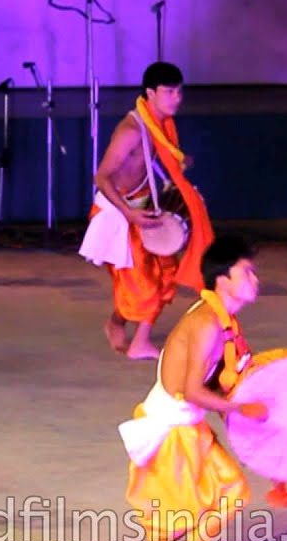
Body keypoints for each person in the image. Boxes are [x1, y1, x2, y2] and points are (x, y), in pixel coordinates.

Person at [118, 235, 280, 541]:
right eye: (248, 272)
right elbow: (192, 391)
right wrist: (241, 409)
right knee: (191, 509)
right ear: (223, 279)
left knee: (231, 492)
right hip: (173, 428)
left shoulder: (225, 324)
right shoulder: (207, 324)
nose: (256, 280)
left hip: (189, 425)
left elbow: (220, 386)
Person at [79, 61, 214, 360]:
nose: (176, 98)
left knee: (166, 274)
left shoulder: (159, 125)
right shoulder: (131, 131)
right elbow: (101, 176)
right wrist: (129, 214)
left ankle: (116, 324)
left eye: (179, 91)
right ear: (150, 93)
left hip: (142, 208)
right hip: (118, 214)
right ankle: (139, 342)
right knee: (144, 284)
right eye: (169, 92)